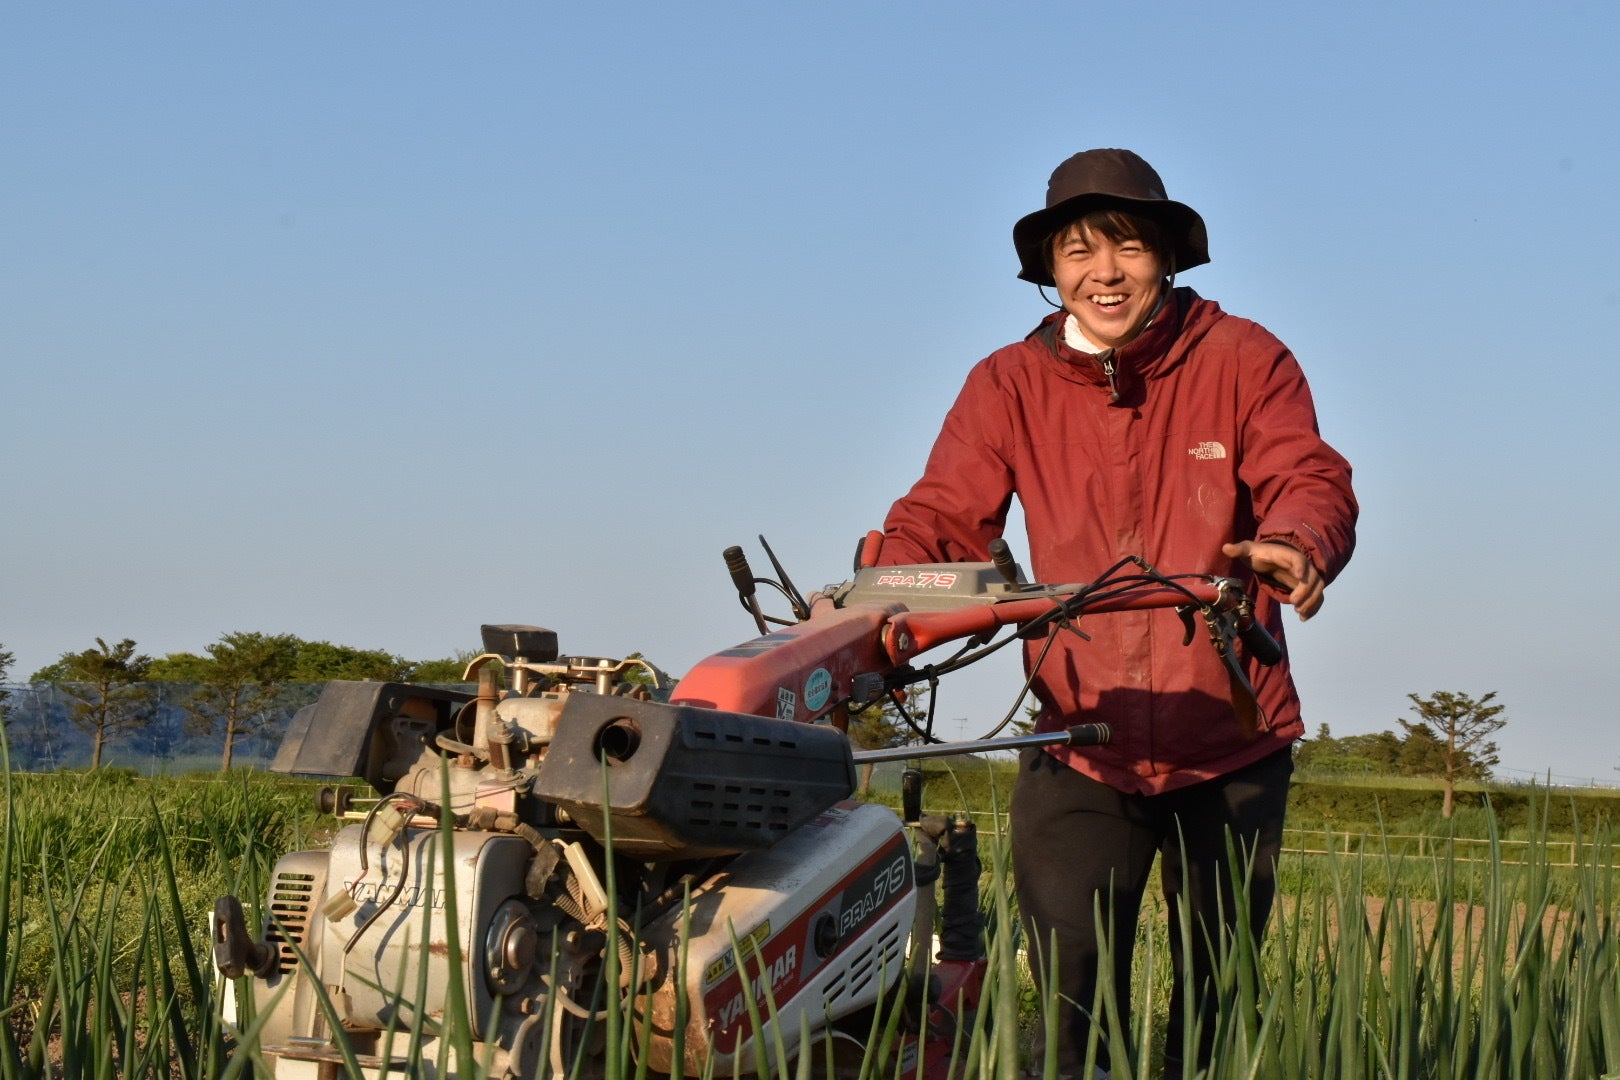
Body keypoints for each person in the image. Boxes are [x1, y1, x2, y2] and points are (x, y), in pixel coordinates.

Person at [878, 148, 1357, 1078]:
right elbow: (942, 517)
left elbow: (1308, 472)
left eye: (1128, 247)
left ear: (1165, 258)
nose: (1105, 272)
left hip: (1230, 731)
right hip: (1079, 730)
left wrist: (1297, 539)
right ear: (1051, 270)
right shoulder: (1008, 383)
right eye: (1079, 252)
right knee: (1071, 997)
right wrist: (875, 596)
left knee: (1218, 999)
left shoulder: (1242, 357)